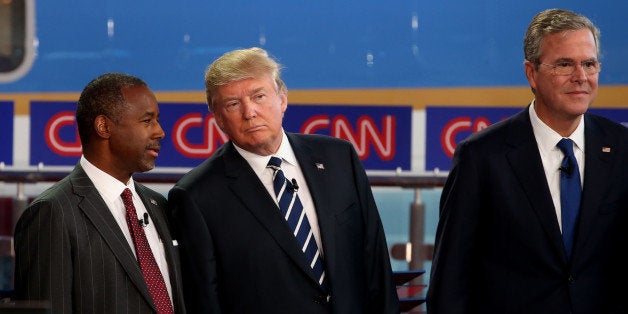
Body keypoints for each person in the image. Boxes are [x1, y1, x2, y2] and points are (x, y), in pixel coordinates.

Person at [168, 47, 399, 314]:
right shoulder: (197, 196)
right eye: (233, 104)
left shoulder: (339, 157)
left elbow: (375, 262)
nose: (250, 112)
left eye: (259, 96)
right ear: (218, 117)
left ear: (282, 99)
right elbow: (206, 301)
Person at [427, 8, 628, 314]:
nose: (582, 77)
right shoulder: (482, 156)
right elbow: (450, 282)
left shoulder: (622, 148)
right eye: (565, 64)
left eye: (589, 64)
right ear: (531, 73)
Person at [14, 73, 186, 313]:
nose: (160, 132)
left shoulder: (158, 204)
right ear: (104, 126)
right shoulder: (53, 212)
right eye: (148, 121)